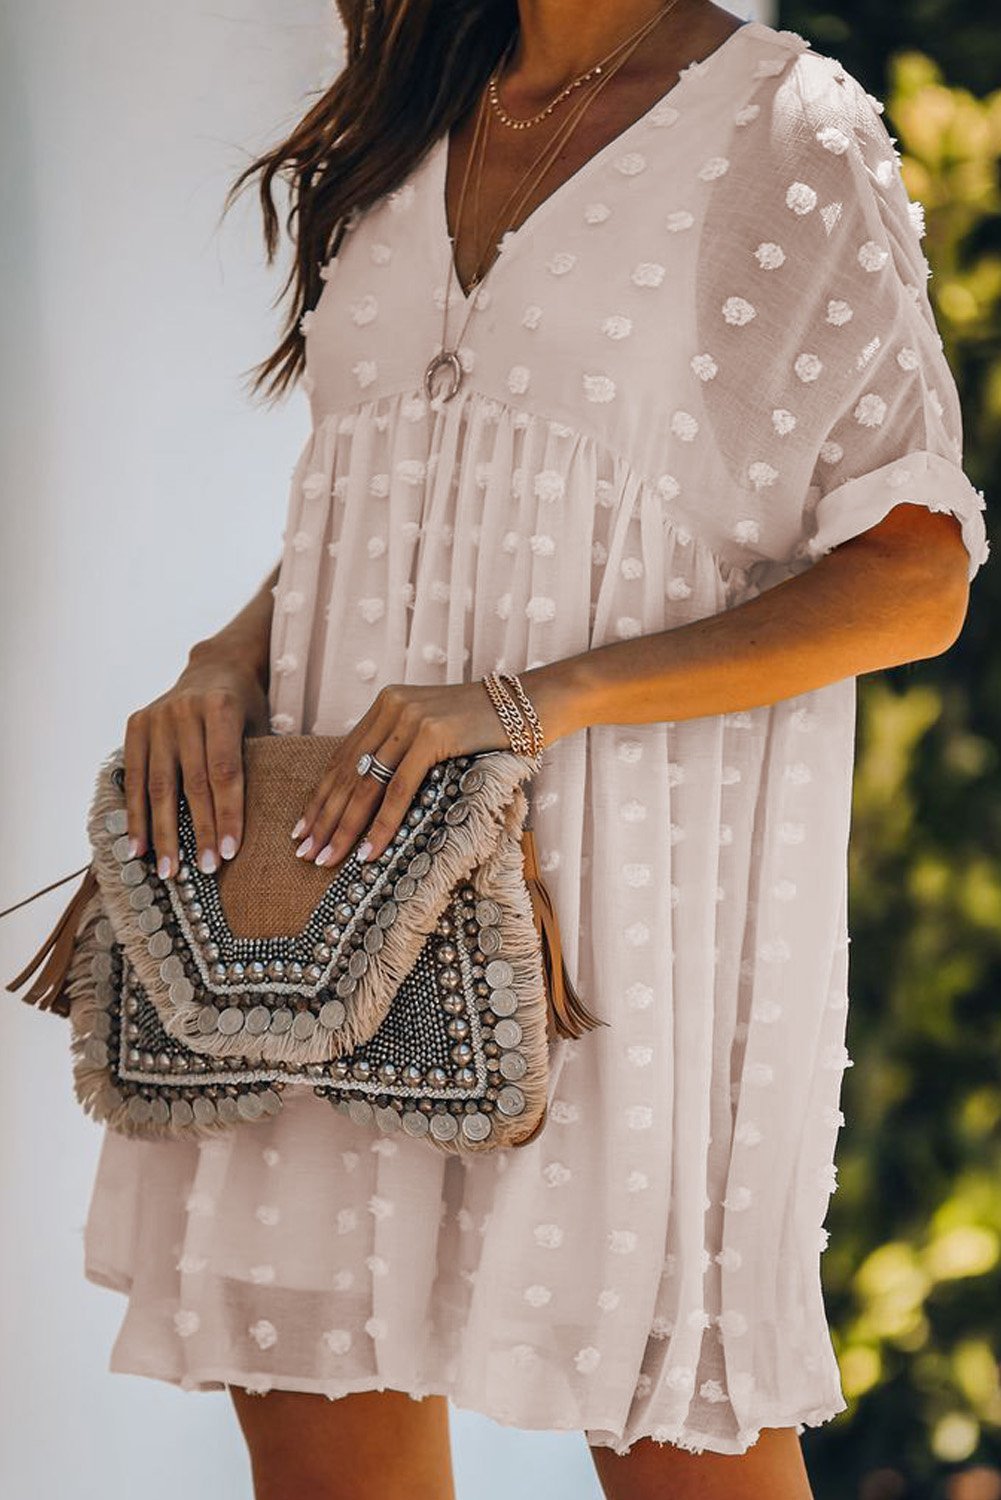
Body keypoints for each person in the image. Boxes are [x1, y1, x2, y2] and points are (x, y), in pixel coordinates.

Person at [82, 2, 990, 1497]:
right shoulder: (410, 106)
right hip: (320, 906)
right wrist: (221, 662)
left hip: (617, 924)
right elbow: (385, 485)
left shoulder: (784, 130)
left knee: (675, 1448)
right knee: (315, 1435)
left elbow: (914, 573)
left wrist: (530, 701)